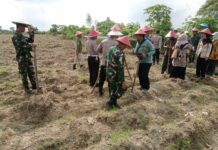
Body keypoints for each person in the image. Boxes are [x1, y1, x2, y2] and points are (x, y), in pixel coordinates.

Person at [11, 21, 37, 94]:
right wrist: (31, 46)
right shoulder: (15, 36)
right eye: (24, 27)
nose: (25, 29)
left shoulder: (22, 36)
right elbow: (21, 46)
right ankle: (27, 90)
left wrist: (31, 32)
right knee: (24, 74)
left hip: (27, 57)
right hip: (22, 58)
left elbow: (30, 40)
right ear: (19, 27)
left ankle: (35, 86)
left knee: (31, 72)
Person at [106, 36, 131, 109]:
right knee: (123, 88)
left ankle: (114, 104)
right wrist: (122, 81)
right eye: (125, 46)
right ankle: (110, 102)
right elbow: (120, 68)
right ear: (122, 44)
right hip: (116, 74)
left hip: (109, 72)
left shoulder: (111, 49)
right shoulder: (120, 53)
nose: (125, 47)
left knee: (112, 88)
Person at [97, 24, 122, 96]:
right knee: (111, 80)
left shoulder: (103, 41)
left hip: (103, 63)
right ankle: (110, 93)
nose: (118, 36)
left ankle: (100, 91)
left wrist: (103, 52)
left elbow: (98, 50)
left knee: (102, 78)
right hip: (112, 65)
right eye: (117, 35)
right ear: (115, 35)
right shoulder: (117, 43)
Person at [134, 29, 155, 93]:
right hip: (140, 60)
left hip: (147, 61)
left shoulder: (147, 42)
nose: (135, 37)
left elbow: (153, 50)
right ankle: (142, 86)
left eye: (137, 35)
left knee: (144, 75)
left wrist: (146, 54)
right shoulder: (138, 42)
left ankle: (146, 88)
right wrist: (137, 55)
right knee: (140, 74)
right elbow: (136, 50)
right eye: (135, 35)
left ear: (141, 36)